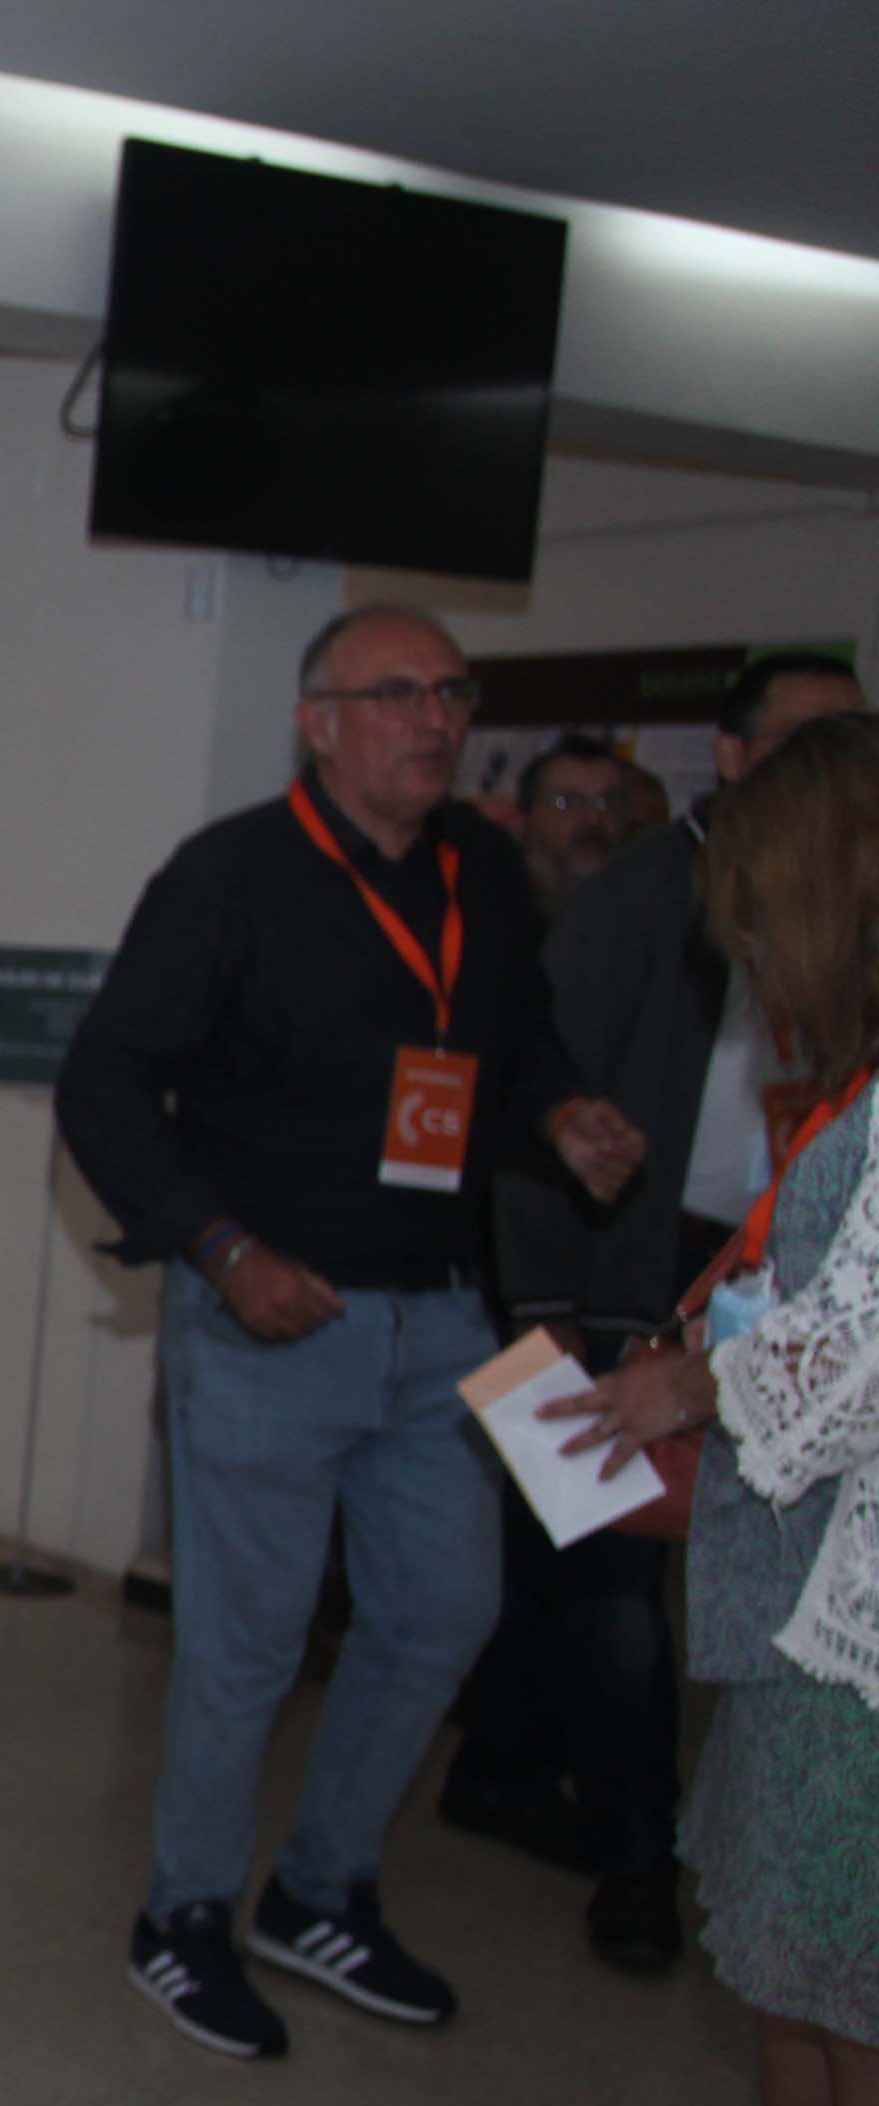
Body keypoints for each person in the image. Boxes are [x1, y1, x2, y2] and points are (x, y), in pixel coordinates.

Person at [58, 602, 646, 2061]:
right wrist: (222, 1246)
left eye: (452, 692)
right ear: (320, 720)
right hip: (272, 1317)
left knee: (445, 1611)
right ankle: (185, 1912)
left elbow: (509, 1051)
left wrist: (558, 1111)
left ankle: (318, 1892)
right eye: (397, 695)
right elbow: (106, 1086)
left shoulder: (487, 874)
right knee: (248, 1646)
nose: (434, 720)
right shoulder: (232, 878)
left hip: (446, 1319)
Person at [555, 709, 879, 2106]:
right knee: (795, 1942)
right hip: (806, 1591)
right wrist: (722, 1328)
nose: (749, 954)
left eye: (763, 915)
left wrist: (694, 1383)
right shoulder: (855, 1089)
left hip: (866, 1620)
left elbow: (856, 1367)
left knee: (861, 1971)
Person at [461, 651, 870, 1970]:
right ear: (738, 759)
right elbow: (546, 1099)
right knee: (608, 1582)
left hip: (749, 1345)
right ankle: (627, 1851)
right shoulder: (643, 898)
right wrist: (564, 1316)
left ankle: (567, 1800)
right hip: (647, 1279)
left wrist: (701, 1379)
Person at [510, 731, 633, 918]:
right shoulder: (493, 916)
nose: (594, 818)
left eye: (607, 802)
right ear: (524, 821)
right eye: (568, 802)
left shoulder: (649, 918)